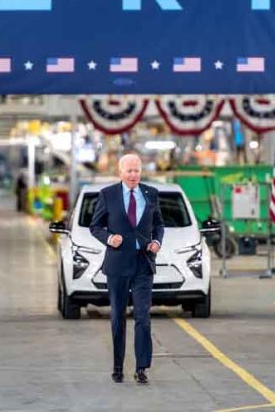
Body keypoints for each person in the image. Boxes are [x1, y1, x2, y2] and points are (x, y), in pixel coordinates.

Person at [90, 153, 164, 385]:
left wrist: (157, 242)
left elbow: (159, 224)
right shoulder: (107, 195)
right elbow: (96, 226)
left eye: (137, 170)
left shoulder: (151, 194)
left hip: (143, 263)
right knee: (118, 318)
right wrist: (109, 238)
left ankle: (141, 368)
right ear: (120, 172)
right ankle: (118, 366)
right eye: (129, 171)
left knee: (143, 317)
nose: (133, 175)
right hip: (118, 265)